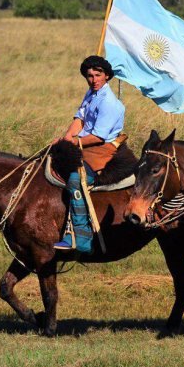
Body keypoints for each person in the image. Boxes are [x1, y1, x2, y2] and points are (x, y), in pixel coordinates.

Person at [53, 55, 125, 252]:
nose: (93, 80)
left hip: (101, 149)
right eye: (89, 75)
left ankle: (82, 238)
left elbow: (98, 137)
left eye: (98, 75)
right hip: (82, 143)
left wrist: (71, 143)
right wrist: (66, 138)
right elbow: (80, 119)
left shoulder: (110, 103)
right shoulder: (91, 93)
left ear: (107, 76)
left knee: (76, 180)